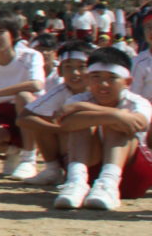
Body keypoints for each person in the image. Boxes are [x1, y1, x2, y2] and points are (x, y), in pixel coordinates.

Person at [49, 47, 151, 211]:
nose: (103, 84)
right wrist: (115, 115)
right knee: (82, 123)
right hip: (93, 172)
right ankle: (76, 182)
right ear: (88, 79)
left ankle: (109, 183)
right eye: (96, 77)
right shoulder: (78, 99)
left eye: (112, 78)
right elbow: (66, 123)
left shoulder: (136, 101)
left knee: (117, 125)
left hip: (133, 175)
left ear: (127, 82)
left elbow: (139, 123)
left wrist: (111, 116)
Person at [0, 10, 47, 180]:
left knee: (23, 97)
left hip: (34, 115)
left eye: (1, 32)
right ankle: (14, 150)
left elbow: (36, 84)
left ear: (13, 34)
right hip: (3, 115)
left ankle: (29, 159)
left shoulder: (30, 56)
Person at [16, 43, 95, 186]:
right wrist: (59, 130)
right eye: (68, 67)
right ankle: (53, 170)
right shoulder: (61, 91)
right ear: (59, 71)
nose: (75, 73)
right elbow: (24, 118)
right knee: (40, 120)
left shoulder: (101, 91)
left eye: (81, 67)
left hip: (97, 152)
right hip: (69, 150)